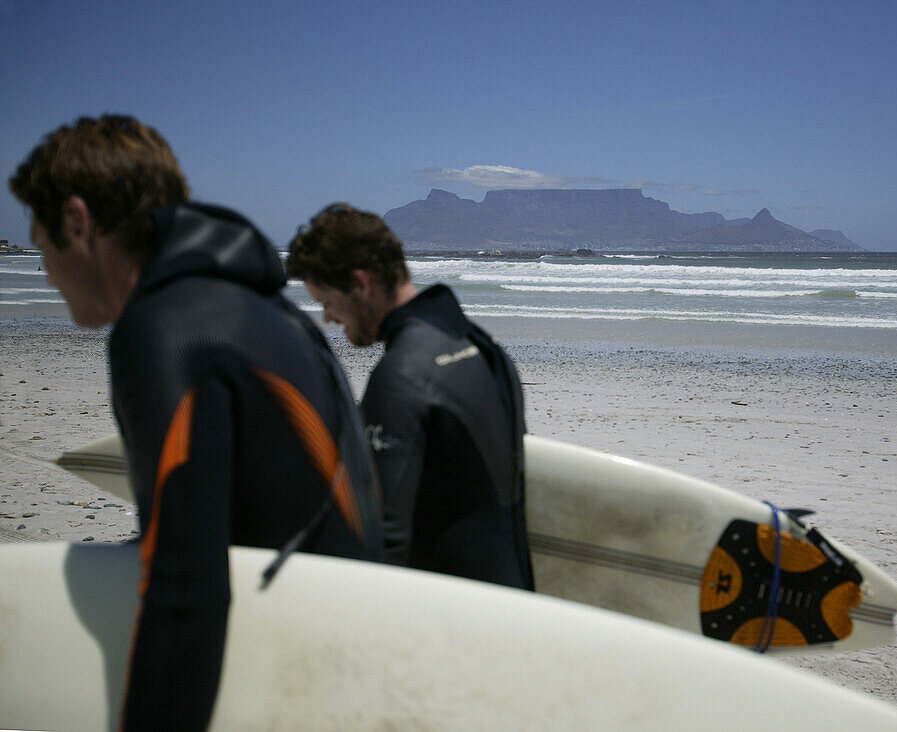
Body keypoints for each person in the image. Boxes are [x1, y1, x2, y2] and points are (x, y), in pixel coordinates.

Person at [9, 116, 383, 730]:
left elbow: (187, 594)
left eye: (41, 241)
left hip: (305, 683)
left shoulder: (163, 329)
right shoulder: (261, 309)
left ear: (78, 222)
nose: (44, 269)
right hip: (360, 642)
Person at [286, 203, 534, 591]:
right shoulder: (482, 345)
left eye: (327, 302)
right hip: (512, 592)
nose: (328, 319)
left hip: (453, 618)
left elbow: (382, 539)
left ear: (361, 284)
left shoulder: (402, 377)